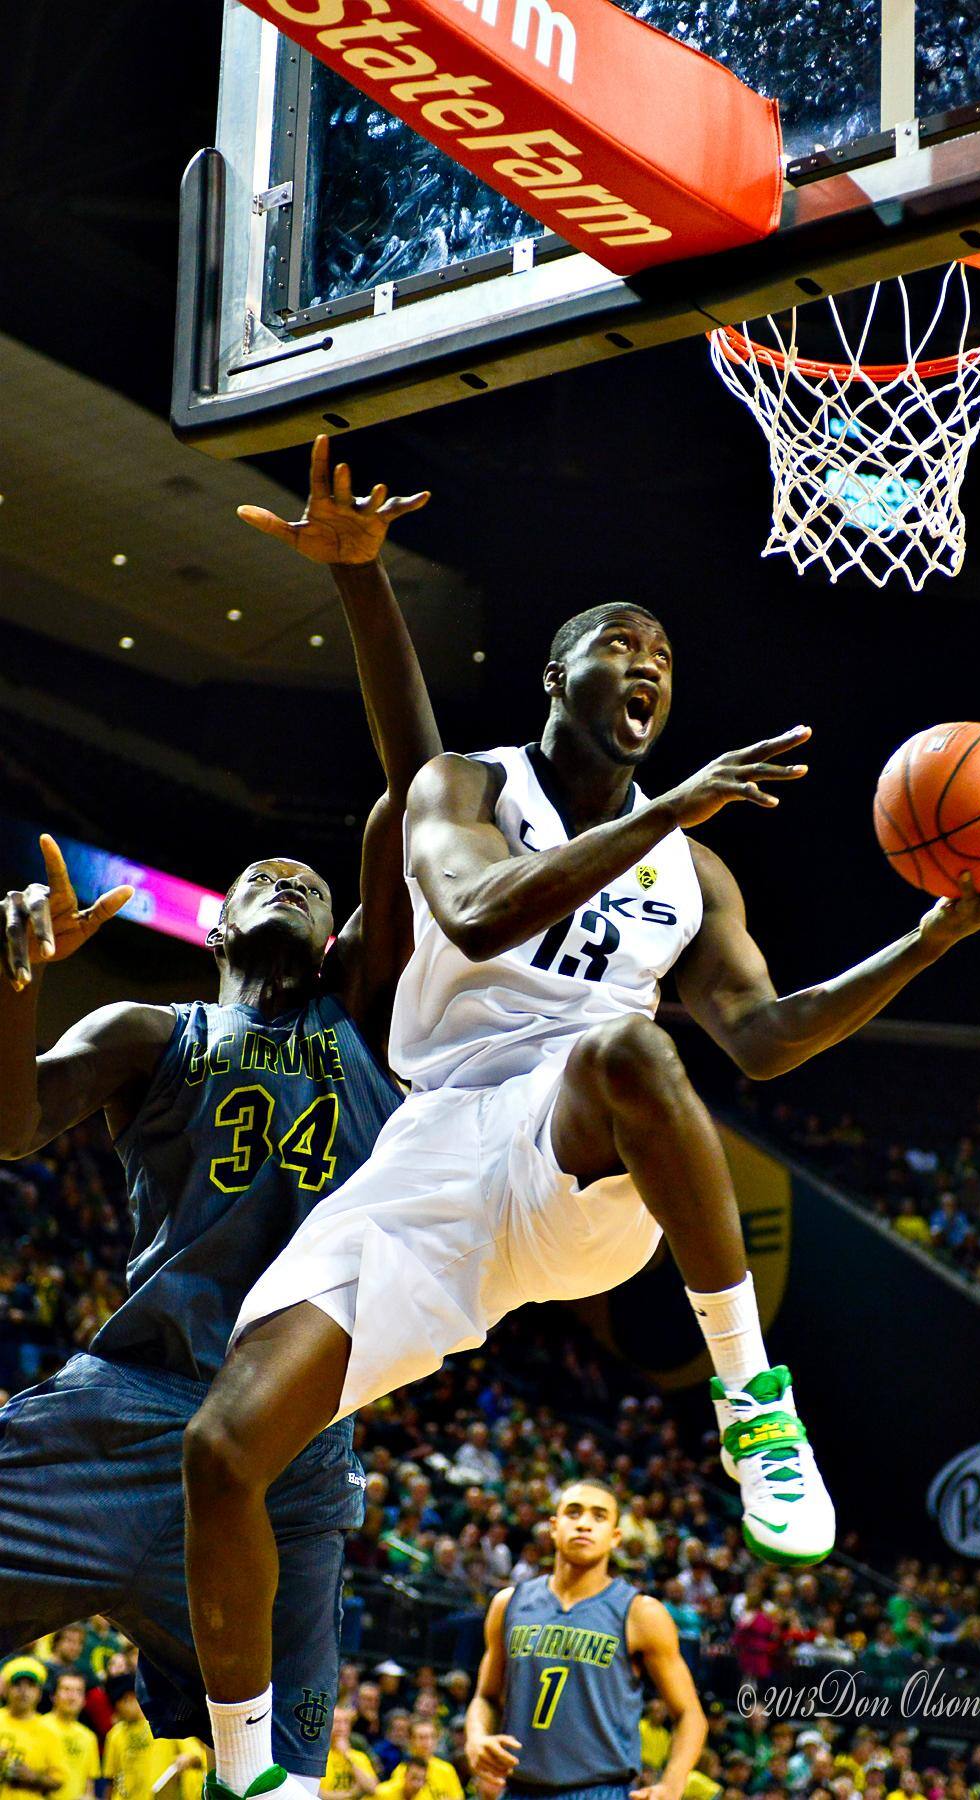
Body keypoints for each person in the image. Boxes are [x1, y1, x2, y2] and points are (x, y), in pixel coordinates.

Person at [183, 603, 980, 1800]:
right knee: (222, 1449)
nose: (648, 665)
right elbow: (477, 912)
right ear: (556, 672)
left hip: (578, 1150)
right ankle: (246, 1775)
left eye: (667, 658)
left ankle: (752, 1403)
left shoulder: (692, 873)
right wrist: (666, 811)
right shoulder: (465, 787)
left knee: (637, 1054)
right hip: (435, 1153)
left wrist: (922, 943)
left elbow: (761, 1037)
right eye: (623, 644)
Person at [0, 438, 441, 1790]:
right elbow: (12, 1125)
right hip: (119, 1410)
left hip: (287, 1453)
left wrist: (364, 587)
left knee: (283, 1779)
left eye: (313, 878)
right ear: (219, 930)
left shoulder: (370, 1016)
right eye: (265, 873)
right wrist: (10, 981)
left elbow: (416, 791)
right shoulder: (154, 1033)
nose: (292, 882)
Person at [465, 1480, 707, 1800]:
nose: (584, 1524)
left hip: (599, 1790)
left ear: (615, 1537)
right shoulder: (508, 1604)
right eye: (574, 1513)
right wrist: (476, 1737)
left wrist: (673, 1784)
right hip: (518, 1788)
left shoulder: (640, 1613)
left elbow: (690, 1714)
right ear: (554, 1527)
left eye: (599, 1516)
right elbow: (485, 1697)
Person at [100, 1677, 206, 1800]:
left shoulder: (166, 1723)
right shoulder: (114, 1734)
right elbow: (111, 1780)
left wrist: (189, 1759)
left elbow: (199, 1757)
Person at [0, 1659, 64, 1800]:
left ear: (39, 1693)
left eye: (30, 1685)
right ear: (6, 1690)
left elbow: (59, 1781)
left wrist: (33, 1777)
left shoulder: (49, 1731)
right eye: (17, 1685)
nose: (23, 1691)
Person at [44, 1673, 100, 1800]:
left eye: (78, 1691)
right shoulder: (39, 1727)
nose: (72, 1696)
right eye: (66, 1689)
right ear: (53, 1696)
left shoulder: (88, 1737)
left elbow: (89, 1785)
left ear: (84, 1700)